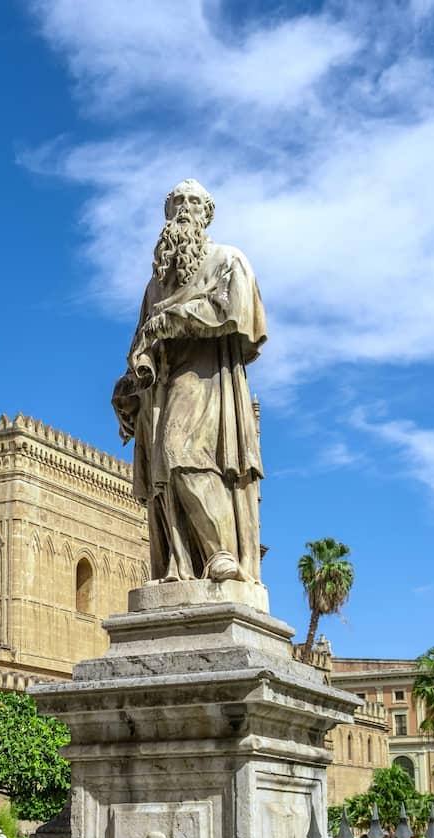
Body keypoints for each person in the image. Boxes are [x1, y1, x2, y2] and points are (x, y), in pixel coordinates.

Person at [112, 179, 266, 584]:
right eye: (177, 201)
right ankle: (179, 564)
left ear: (207, 213)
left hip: (207, 378)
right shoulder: (155, 285)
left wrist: (173, 319)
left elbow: (233, 308)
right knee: (162, 469)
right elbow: (140, 340)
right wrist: (128, 386)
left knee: (180, 453)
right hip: (160, 387)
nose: (184, 208)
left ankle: (219, 554)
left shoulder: (226, 259)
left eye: (193, 202)